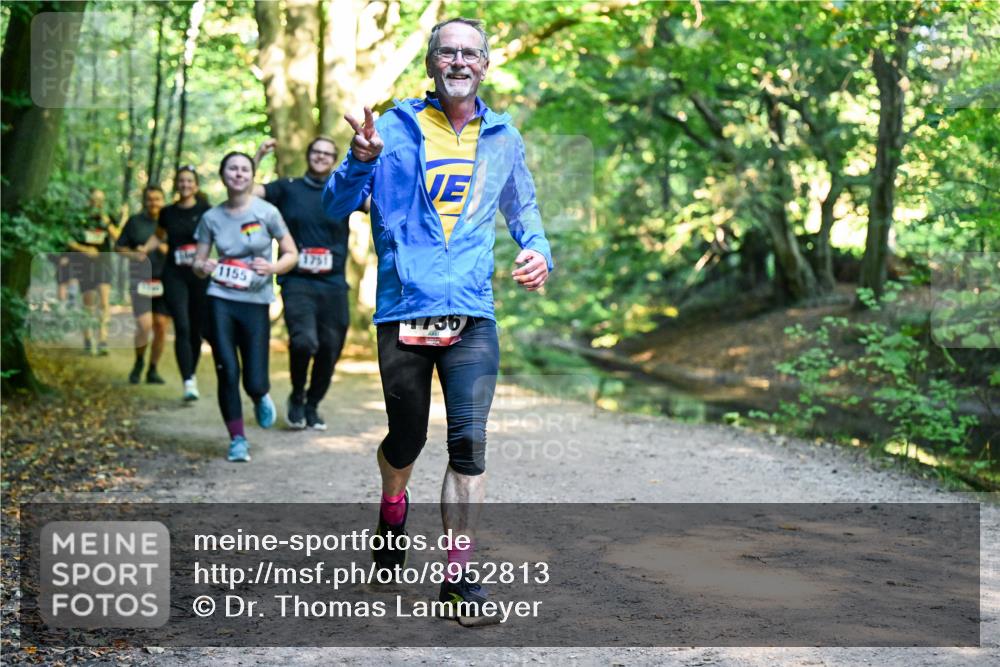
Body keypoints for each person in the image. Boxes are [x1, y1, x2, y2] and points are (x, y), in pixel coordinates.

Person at [323, 17, 553, 614]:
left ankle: (458, 577)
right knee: (407, 439)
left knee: (468, 443)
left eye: (470, 53)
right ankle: (392, 512)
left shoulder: (503, 137)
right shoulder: (392, 128)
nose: (458, 61)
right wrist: (359, 160)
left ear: (485, 65)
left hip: (472, 312)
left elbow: (523, 209)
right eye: (446, 52)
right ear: (430, 64)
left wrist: (538, 250)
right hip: (405, 308)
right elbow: (335, 206)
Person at [193, 151, 298, 463]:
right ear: (223, 175)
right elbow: (198, 262)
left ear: (252, 176)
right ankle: (237, 438)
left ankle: (259, 394)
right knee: (226, 368)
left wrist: (273, 267)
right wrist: (203, 266)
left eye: (244, 169)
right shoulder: (211, 218)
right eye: (232, 169)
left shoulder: (267, 212)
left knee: (254, 379)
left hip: (255, 301)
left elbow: (291, 253)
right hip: (220, 297)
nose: (238, 174)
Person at [252, 136, 350, 430]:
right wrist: (257, 156)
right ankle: (297, 395)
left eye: (327, 153)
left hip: (333, 284)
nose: (321, 157)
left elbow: (378, 202)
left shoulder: (344, 189)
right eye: (316, 151)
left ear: (334, 160)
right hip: (297, 281)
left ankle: (312, 404)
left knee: (330, 347)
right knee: (304, 341)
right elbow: (246, 190)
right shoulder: (287, 188)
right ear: (308, 155)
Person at [145, 166, 212, 400]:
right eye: (181, 181)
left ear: (196, 185)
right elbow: (159, 236)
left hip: (200, 276)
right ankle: (188, 381)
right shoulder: (167, 212)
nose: (185, 185)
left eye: (189, 181)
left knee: (196, 330)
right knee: (182, 326)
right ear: (176, 184)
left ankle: (191, 371)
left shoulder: (206, 211)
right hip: (175, 275)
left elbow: (219, 235)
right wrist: (142, 249)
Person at [116, 185, 170, 382]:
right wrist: (133, 254)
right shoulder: (135, 222)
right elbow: (118, 247)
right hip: (140, 279)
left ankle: (153, 370)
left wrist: (165, 248)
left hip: (165, 281)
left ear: (163, 201)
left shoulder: (170, 222)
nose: (153, 203)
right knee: (144, 325)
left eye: (157, 199)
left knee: (161, 325)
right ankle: (139, 362)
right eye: (150, 199)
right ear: (145, 201)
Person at [67, 188, 120, 355]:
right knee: (88, 304)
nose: (98, 203)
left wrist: (107, 223)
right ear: (89, 201)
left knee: (104, 302)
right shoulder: (81, 218)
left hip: (104, 264)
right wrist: (85, 249)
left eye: (101, 200)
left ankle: (103, 340)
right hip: (85, 265)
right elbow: (69, 241)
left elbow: (118, 238)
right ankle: (88, 339)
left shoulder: (108, 217)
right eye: (95, 200)